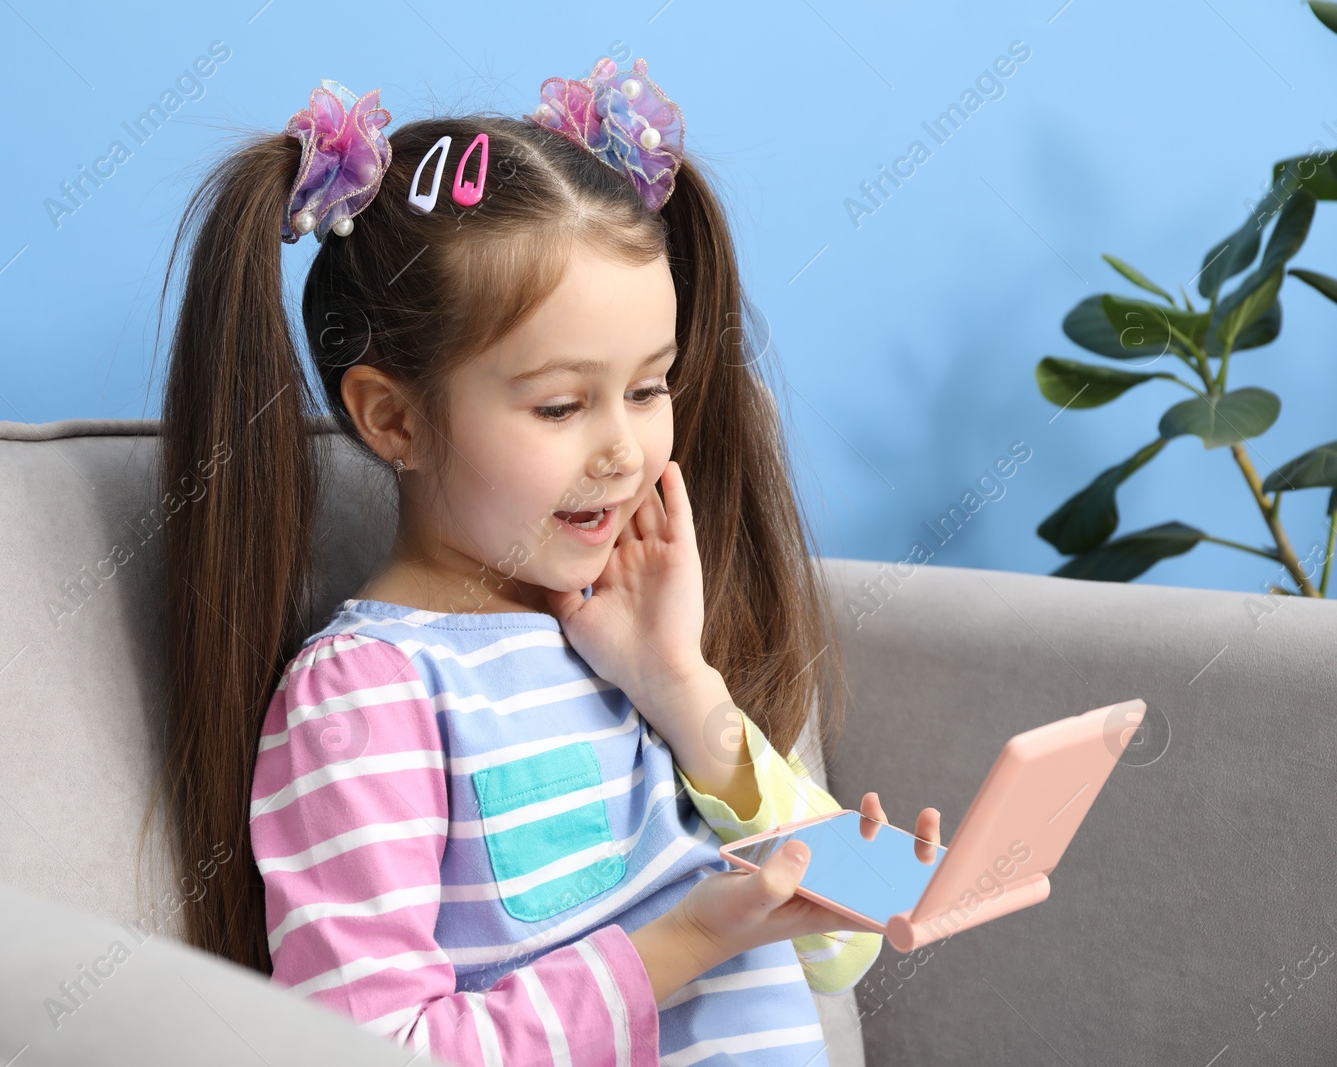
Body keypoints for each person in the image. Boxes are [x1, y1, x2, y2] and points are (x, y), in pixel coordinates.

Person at [150, 56, 942, 1065]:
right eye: (562, 405)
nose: (622, 451)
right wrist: (692, 935)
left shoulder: (618, 638)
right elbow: (377, 1046)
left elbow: (838, 951)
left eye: (649, 389)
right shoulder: (366, 699)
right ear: (392, 417)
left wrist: (680, 683)